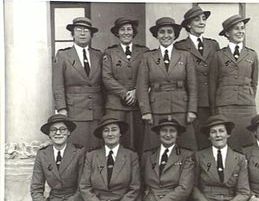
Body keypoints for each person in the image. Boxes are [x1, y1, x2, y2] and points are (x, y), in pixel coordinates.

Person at [136, 17, 198, 151]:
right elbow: (142, 86)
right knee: (154, 146)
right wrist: (145, 111)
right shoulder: (148, 57)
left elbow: (193, 86)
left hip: (181, 107)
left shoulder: (185, 56)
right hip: (156, 108)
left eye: (169, 32)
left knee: (185, 146)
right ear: (157, 35)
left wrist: (192, 110)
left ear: (175, 35)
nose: (166, 35)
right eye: (162, 32)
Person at [52, 17, 104, 150]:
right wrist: (62, 109)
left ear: (91, 35)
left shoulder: (98, 55)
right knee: (77, 149)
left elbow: (105, 83)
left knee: (96, 149)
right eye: (78, 30)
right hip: (74, 110)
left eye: (86, 30)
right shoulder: (63, 55)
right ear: (72, 34)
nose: (82, 33)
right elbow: (58, 85)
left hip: (96, 111)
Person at [175, 5, 220, 150]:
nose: (202, 22)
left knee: (211, 140)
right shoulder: (180, 46)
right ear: (188, 24)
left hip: (212, 101)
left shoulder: (213, 45)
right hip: (191, 102)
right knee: (193, 141)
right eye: (197, 20)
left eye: (203, 19)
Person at [211, 14, 259, 150]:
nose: (240, 32)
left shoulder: (252, 55)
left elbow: (254, 83)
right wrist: (215, 108)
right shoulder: (219, 55)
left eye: (242, 28)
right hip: (225, 105)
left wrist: (247, 97)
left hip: (246, 106)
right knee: (227, 141)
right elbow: (213, 84)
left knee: (248, 140)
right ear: (227, 33)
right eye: (236, 29)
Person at [102, 17, 149, 156]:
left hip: (137, 105)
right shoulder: (109, 53)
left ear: (133, 32)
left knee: (138, 141)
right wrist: (124, 93)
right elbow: (106, 77)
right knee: (117, 140)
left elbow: (148, 76)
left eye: (129, 29)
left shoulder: (144, 52)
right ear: (117, 33)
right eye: (122, 29)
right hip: (116, 105)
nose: (126, 32)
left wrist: (136, 92)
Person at [79, 115, 140, 201]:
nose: (110, 134)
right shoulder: (92, 156)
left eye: (114, 130)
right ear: (102, 135)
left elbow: (134, 188)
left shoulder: (131, 156)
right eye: (106, 130)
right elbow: (84, 187)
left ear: (120, 133)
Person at [134, 118, 195, 201]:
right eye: (164, 130)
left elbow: (184, 188)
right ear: (158, 133)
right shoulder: (147, 155)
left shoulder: (186, 155)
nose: (168, 134)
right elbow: (138, 185)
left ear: (177, 134)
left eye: (172, 131)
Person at [192, 114, 250, 201]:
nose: (218, 135)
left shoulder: (239, 158)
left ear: (228, 134)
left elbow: (244, 192)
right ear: (209, 137)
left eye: (221, 131)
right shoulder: (199, 156)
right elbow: (192, 186)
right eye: (213, 132)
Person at [30, 114, 85, 201]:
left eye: (63, 129)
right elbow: (36, 189)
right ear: (49, 134)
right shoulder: (42, 154)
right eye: (53, 130)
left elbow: (83, 187)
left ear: (68, 132)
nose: (58, 133)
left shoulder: (79, 152)